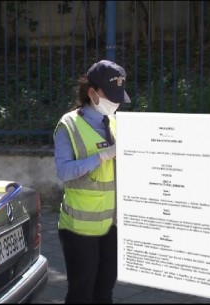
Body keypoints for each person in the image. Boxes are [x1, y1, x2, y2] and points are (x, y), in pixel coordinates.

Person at [52, 59, 131, 303]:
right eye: (111, 97)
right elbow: (64, 172)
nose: (115, 104)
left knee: (105, 290)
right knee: (81, 292)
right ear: (92, 93)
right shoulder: (69, 125)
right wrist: (103, 156)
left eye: (119, 98)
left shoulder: (115, 123)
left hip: (112, 225)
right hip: (80, 228)